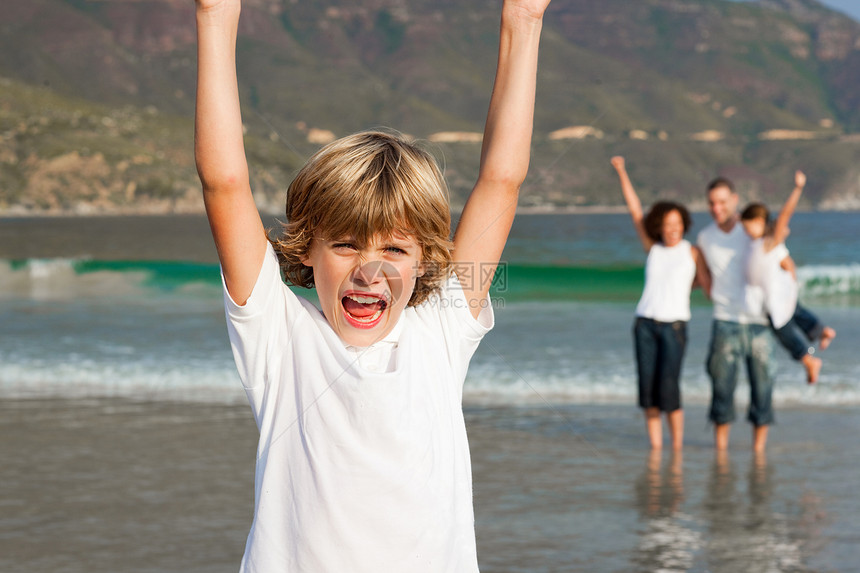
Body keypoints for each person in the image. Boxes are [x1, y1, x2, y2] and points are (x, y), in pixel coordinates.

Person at [194, 0, 550, 570]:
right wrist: (215, 14)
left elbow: (502, 180)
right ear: (306, 250)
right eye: (345, 244)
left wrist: (524, 21)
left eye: (395, 249)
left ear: (424, 259)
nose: (369, 270)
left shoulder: (440, 328)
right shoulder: (280, 338)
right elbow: (225, 182)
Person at [611, 157, 710, 450]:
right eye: (667, 225)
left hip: (674, 327)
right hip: (644, 324)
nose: (672, 229)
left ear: (684, 225)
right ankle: (656, 449)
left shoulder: (692, 252)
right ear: (659, 227)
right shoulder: (652, 248)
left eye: (677, 224)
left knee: (669, 389)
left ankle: (676, 448)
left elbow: (705, 283)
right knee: (647, 391)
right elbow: (634, 209)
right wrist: (622, 171)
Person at [697, 177, 775, 452]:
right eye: (711, 203)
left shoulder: (751, 230)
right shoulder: (705, 238)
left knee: (763, 388)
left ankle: (759, 452)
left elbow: (776, 256)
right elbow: (703, 275)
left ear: (734, 200)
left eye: (721, 202)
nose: (716, 208)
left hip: (758, 321)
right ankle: (720, 452)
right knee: (721, 389)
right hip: (724, 319)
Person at [740, 170, 836, 384]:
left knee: (783, 329)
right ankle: (821, 332)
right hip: (776, 293)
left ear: (760, 221)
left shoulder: (768, 242)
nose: (746, 231)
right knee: (795, 314)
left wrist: (798, 189)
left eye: (748, 227)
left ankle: (808, 359)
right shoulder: (755, 242)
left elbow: (784, 215)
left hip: (775, 295)